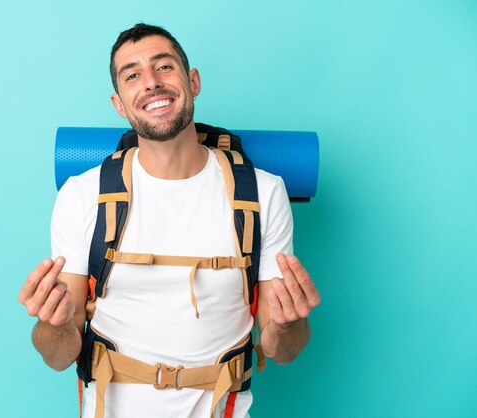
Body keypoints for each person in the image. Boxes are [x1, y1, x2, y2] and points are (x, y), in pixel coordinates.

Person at [18, 23, 321, 418]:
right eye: (133, 75)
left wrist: (289, 324)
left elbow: (283, 351)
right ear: (119, 104)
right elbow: (59, 357)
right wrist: (54, 326)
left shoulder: (263, 192)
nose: (151, 83)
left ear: (192, 81)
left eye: (164, 67)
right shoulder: (81, 195)